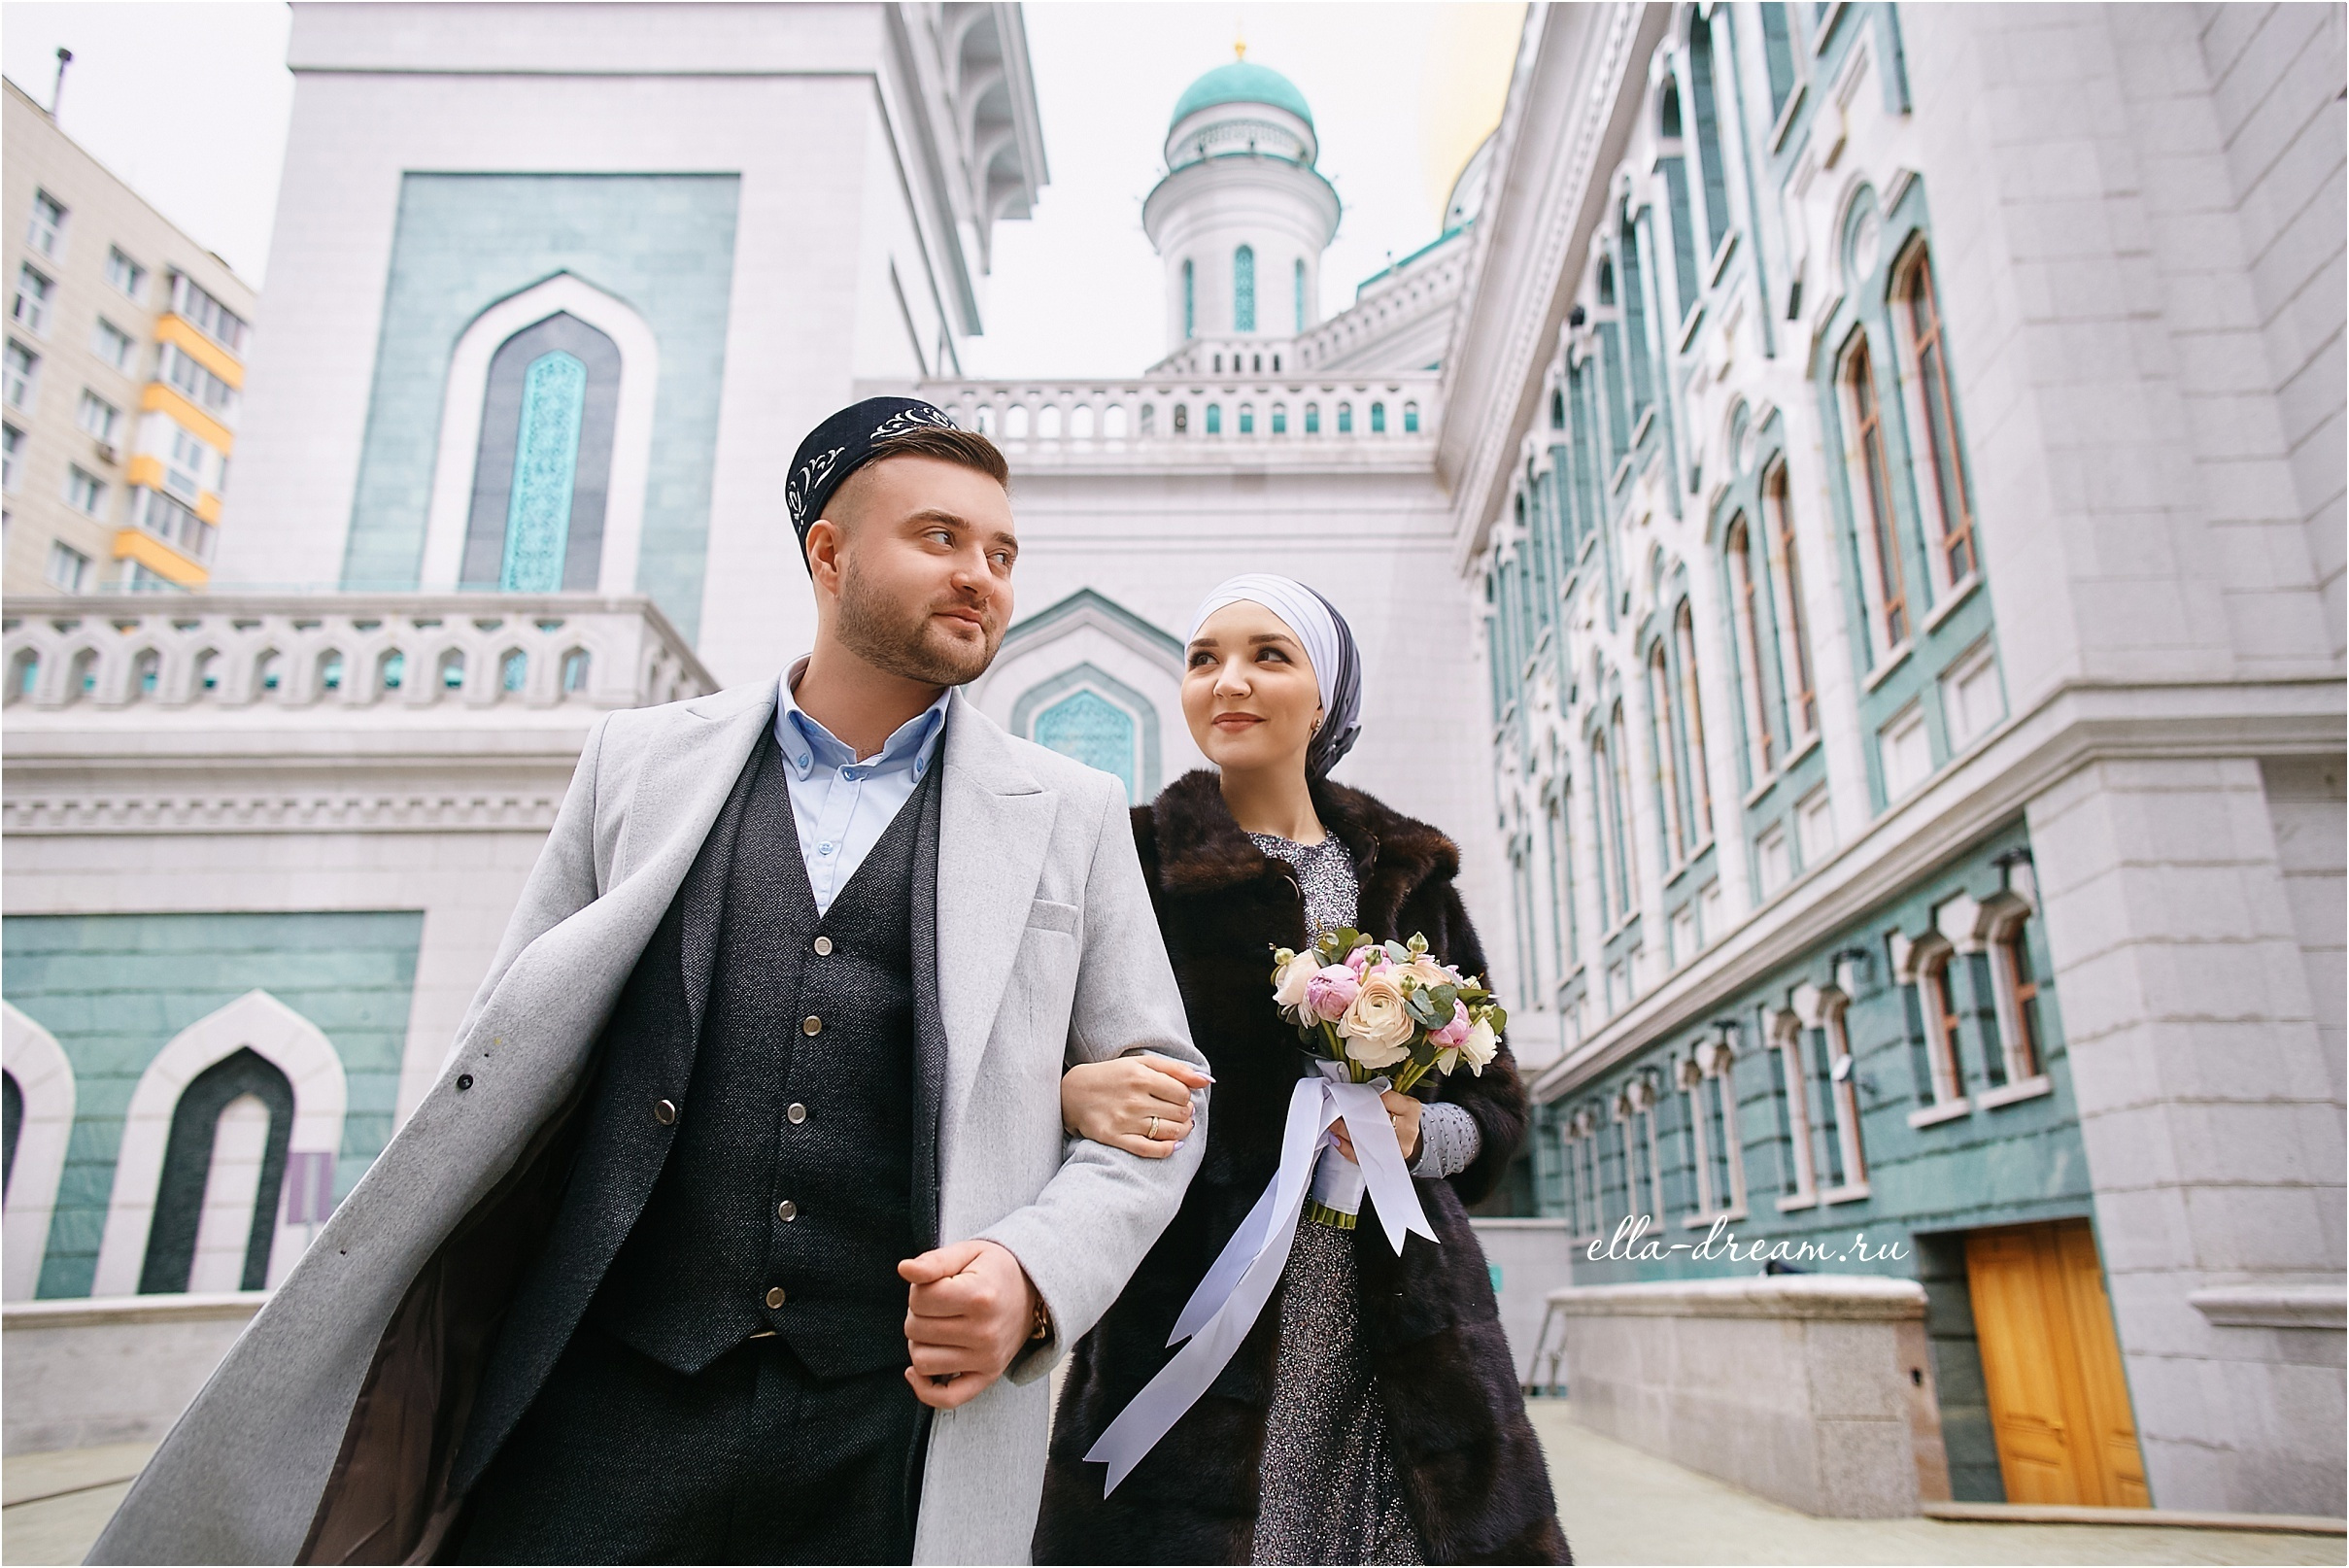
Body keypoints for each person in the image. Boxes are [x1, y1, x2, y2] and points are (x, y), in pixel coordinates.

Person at [88, 398, 1210, 1567]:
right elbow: (507, 1051)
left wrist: (1036, 1277)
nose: (981, 575)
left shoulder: (1068, 811)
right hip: (597, 1407)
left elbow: (1167, 1101)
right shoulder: (636, 764)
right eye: (940, 539)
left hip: (890, 1430)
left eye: (1002, 553)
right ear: (828, 553)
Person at [1036, 575, 1569, 1565]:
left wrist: (1419, 1133)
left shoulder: (1409, 870)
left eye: (1267, 656)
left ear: (1323, 698)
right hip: (1197, 1301)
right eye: (1204, 660)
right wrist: (1069, 1093)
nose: (1228, 682)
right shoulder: (1133, 858)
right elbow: (1039, 1050)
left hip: (1409, 1322)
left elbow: (1495, 1109)